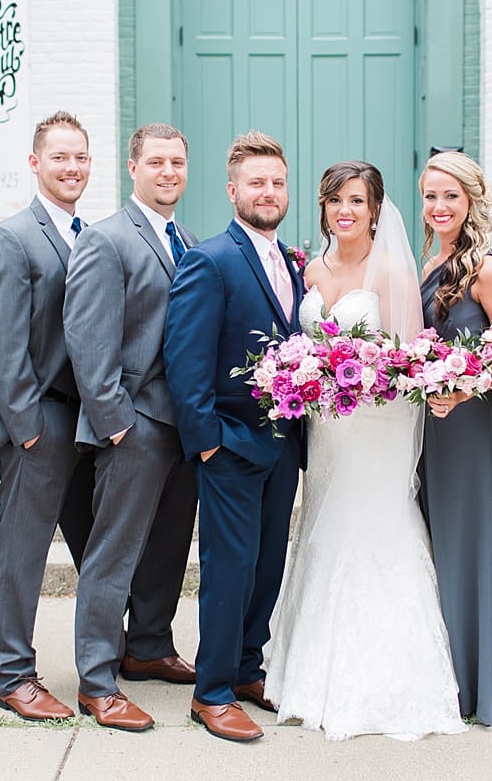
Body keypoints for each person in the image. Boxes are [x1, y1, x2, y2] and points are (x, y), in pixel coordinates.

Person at [262, 160, 466, 741]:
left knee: (372, 531)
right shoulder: (311, 268)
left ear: (376, 208)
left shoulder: (393, 273)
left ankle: (386, 681)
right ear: (323, 208)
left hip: (378, 427)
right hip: (328, 431)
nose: (344, 211)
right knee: (325, 531)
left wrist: (359, 382)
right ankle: (311, 674)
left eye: (356, 200)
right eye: (334, 201)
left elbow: (409, 365)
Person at [164, 131, 306, 743]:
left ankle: (249, 667)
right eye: (256, 183)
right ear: (232, 190)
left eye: (276, 182)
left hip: (282, 444)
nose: (268, 192)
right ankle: (213, 691)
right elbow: (184, 358)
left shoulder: (290, 263)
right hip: (229, 444)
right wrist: (208, 441)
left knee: (269, 562)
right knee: (230, 568)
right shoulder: (212, 258)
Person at [0, 111, 98, 720]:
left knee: (95, 545)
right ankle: (14, 673)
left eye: (80, 157)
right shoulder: (12, 237)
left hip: (87, 422)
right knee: (22, 551)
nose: (71, 168)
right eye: (60, 157)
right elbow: (1, 340)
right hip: (39, 421)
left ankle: (102, 655)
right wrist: (26, 428)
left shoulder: (87, 233)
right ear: (36, 163)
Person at [63, 123, 199, 732]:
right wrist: (117, 423)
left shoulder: (188, 240)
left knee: (168, 549)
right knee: (112, 554)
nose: (168, 172)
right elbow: (88, 341)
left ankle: (147, 646)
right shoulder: (106, 240)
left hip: (183, 426)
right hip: (135, 423)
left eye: (177, 163)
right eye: (157, 162)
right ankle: (96, 678)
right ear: (132, 167)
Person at [416, 151, 492, 725]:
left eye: (451, 196)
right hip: (434, 424)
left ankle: (473, 684)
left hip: (473, 422)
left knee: (467, 542)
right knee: (436, 539)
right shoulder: (433, 259)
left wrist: (461, 390)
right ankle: (440, 669)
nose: (438, 206)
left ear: (473, 201)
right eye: (431, 195)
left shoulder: (486, 268)